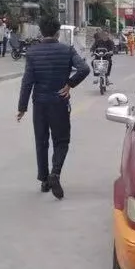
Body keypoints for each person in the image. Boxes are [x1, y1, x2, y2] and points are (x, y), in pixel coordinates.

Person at [17, 15, 90, 199]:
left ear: (41, 32)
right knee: (61, 141)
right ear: (58, 33)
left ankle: (44, 180)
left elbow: (27, 81)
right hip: (59, 102)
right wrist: (70, 84)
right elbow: (84, 69)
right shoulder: (67, 50)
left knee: (41, 141)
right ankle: (55, 174)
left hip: (39, 103)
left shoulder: (32, 53)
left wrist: (22, 107)